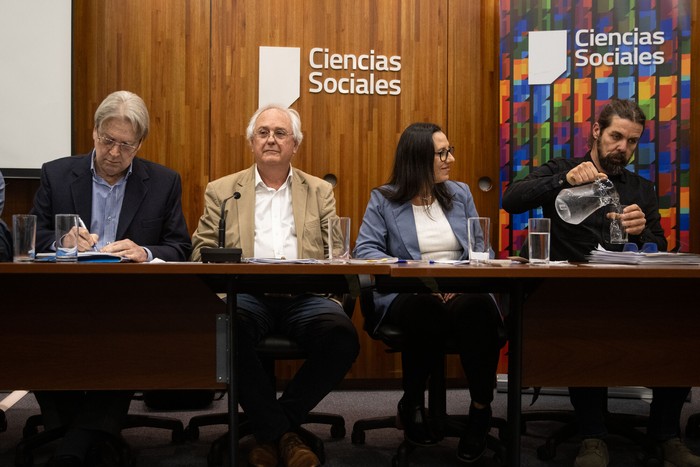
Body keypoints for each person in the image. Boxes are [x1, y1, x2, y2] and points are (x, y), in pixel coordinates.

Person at [502, 98, 700, 467]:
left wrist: (645, 236)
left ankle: (666, 435)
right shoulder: (562, 169)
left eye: (632, 141)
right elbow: (511, 199)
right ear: (596, 131)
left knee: (681, 322)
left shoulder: (641, 188)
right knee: (584, 318)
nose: (622, 147)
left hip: (629, 294)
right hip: (568, 296)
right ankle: (592, 437)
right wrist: (563, 180)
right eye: (615, 137)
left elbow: (660, 247)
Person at [190, 104, 360, 467]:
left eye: (280, 133)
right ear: (252, 142)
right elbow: (199, 251)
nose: (271, 139)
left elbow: (335, 250)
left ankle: (270, 430)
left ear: (295, 145)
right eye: (263, 132)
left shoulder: (318, 191)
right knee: (227, 329)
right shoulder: (222, 191)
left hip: (306, 296)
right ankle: (285, 436)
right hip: (246, 294)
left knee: (342, 337)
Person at [30, 90, 192, 467]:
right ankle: (89, 434)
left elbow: (179, 246)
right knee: (31, 325)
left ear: (139, 145)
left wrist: (145, 253)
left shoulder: (164, 182)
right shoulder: (56, 173)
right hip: (65, 295)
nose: (114, 153)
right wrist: (61, 241)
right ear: (94, 133)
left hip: (129, 299)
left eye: (125, 144)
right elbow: (31, 239)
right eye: (107, 141)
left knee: (131, 331)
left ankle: (73, 443)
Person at [353, 122, 506, 463]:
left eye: (450, 150)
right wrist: (424, 280)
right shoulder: (384, 198)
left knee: (477, 310)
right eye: (442, 153)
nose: (450, 158)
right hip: (410, 293)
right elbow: (365, 251)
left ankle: (480, 409)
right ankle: (412, 403)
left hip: (461, 289)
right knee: (426, 310)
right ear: (417, 158)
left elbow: (483, 250)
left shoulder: (460, 193)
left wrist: (459, 281)